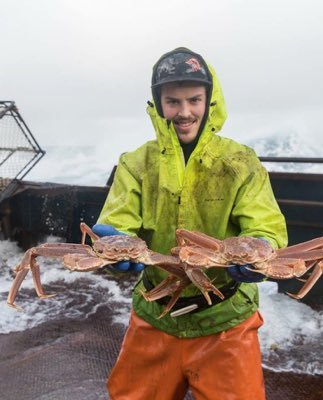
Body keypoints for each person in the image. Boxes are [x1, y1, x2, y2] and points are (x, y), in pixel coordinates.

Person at [92, 47, 287, 400]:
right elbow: (117, 220)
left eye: (194, 99)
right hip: (155, 317)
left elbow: (266, 224)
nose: (184, 112)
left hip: (225, 321)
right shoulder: (136, 163)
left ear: (210, 101)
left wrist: (260, 247)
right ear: (157, 104)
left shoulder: (241, 162)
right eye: (173, 101)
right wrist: (113, 238)